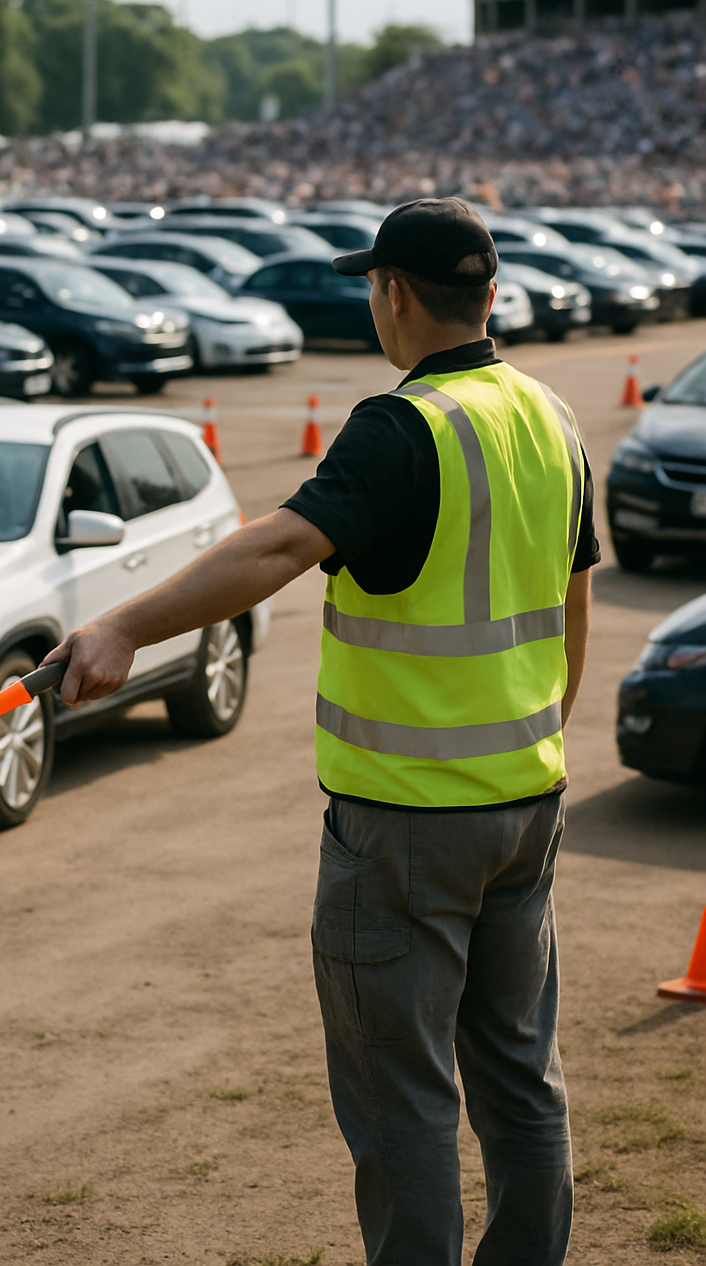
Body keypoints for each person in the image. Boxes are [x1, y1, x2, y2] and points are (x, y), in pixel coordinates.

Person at [42, 196, 596, 1266]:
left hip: (402, 827)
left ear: (391, 295)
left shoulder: (403, 426)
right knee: (522, 1080)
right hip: (525, 805)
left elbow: (279, 547)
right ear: (489, 295)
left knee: (404, 1108)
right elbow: (571, 609)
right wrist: (531, 751)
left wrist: (119, 624)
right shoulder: (549, 416)